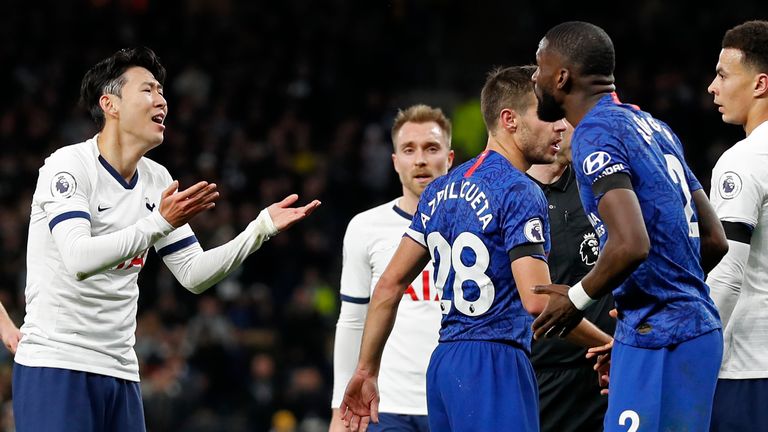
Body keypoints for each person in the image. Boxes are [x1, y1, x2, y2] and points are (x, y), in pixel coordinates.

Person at [12, 47, 320, 432]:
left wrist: (259, 229)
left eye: (162, 92)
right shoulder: (68, 166)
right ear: (110, 104)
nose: (161, 100)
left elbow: (194, 274)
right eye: (147, 90)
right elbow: (78, 258)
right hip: (57, 366)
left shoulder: (156, 179)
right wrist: (159, 221)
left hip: (121, 370)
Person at [340, 65, 612, 432]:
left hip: (444, 365)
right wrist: (609, 343)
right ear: (510, 120)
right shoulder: (519, 190)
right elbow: (538, 302)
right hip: (495, 361)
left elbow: (388, 285)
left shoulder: (439, 190)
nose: (561, 126)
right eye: (548, 115)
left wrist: (366, 371)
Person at [531, 21, 729, 431]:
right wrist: (645, 305)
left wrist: (576, 299)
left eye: (539, 67)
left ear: (562, 77)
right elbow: (714, 240)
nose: (535, 78)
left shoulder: (594, 134)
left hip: (663, 343)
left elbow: (631, 244)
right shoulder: (653, 126)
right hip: (688, 333)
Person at [329, 104, 454, 432]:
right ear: (395, 162)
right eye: (409, 150)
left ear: (450, 158)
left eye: (431, 148)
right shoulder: (365, 227)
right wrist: (336, 407)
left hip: (453, 402)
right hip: (384, 406)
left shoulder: (476, 228)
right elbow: (352, 321)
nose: (421, 160)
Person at [527, 120, 615, 432]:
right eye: (553, 117)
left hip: (607, 375)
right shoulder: (510, 197)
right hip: (543, 375)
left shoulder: (601, 186)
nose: (565, 125)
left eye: (568, 117)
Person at [705, 20, 768, 432]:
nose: (713, 86)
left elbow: (727, 276)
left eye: (724, 75)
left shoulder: (743, 161)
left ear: (761, 84)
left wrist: (689, 350)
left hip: (747, 369)